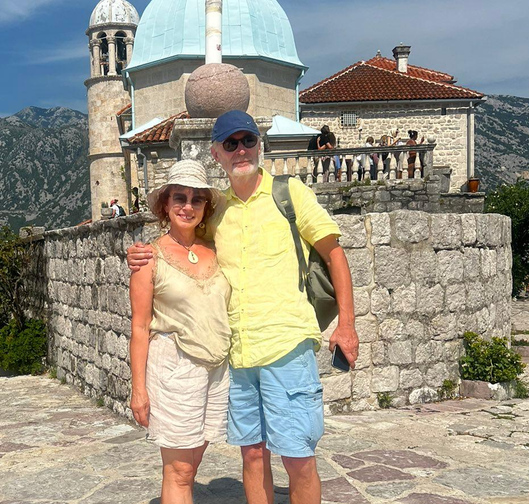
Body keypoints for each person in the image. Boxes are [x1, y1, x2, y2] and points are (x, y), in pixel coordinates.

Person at [129, 110, 359, 504]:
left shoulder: (291, 194)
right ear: (217, 153)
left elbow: (334, 254)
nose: (241, 150)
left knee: (299, 456)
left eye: (247, 140)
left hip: (287, 345)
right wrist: (139, 253)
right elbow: (179, 245)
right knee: (252, 454)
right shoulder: (217, 214)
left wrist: (347, 326)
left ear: (260, 144)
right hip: (238, 354)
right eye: (230, 143)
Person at [129, 159, 231, 503]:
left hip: (217, 369)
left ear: (206, 206)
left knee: (194, 462)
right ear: (165, 205)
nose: (187, 206)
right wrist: (138, 390)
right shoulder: (148, 258)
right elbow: (140, 327)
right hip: (173, 368)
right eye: (179, 198)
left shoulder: (217, 249)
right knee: (180, 471)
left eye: (196, 199)